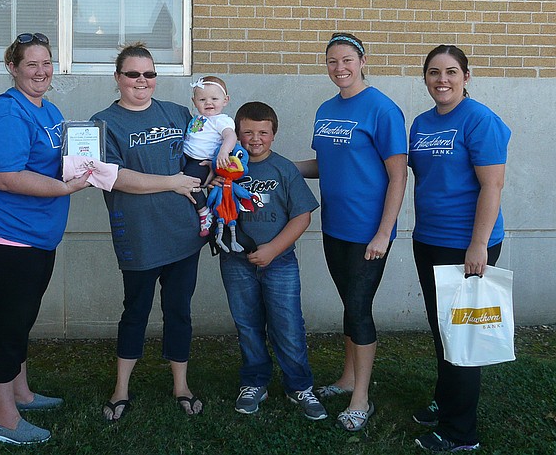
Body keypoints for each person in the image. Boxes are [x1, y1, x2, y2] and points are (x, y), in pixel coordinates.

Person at [0, 33, 90, 445]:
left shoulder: (48, 108)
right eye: (31, 64)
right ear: (13, 68)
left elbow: (60, 159)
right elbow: (6, 176)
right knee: (7, 324)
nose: (41, 71)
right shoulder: (6, 113)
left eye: (46, 63)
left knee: (22, 320)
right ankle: (5, 420)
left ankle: (21, 392)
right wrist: (66, 188)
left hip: (36, 237)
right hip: (3, 238)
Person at [295, 32, 407, 432]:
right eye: (331, 62)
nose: (339, 68)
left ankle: (361, 398)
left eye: (346, 60)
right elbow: (325, 163)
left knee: (359, 308)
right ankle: (346, 379)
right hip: (335, 226)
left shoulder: (382, 109)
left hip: (367, 232)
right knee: (349, 303)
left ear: (362, 60)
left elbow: (398, 177)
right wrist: (278, 165)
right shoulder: (326, 109)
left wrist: (383, 232)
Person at [90, 42, 208, 421]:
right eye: (133, 74)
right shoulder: (103, 123)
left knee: (179, 310)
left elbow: (201, 155)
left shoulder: (177, 113)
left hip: (183, 233)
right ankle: (121, 388)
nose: (142, 81)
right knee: (135, 311)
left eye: (149, 74)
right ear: (118, 78)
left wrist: (205, 171)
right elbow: (115, 177)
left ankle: (181, 385)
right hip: (139, 235)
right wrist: (172, 182)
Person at [409, 45, 511, 453]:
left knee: (463, 340)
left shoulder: (481, 120)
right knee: (442, 330)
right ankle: (445, 400)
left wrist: (478, 245)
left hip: (468, 246)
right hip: (428, 240)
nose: (442, 80)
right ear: (426, 79)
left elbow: (493, 185)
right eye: (434, 73)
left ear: (467, 77)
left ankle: (460, 434)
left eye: (452, 72)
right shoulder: (421, 123)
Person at [218, 101, 327, 421]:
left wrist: (273, 249)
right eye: (248, 132)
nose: (255, 139)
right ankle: (254, 382)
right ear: (236, 134)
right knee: (247, 324)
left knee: (288, 325)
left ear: (274, 134)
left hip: (279, 262)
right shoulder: (226, 168)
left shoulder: (284, 169)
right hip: (236, 261)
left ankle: (299, 385)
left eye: (263, 132)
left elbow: (302, 216)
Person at [183, 75, 237, 236]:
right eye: (202, 99)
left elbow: (231, 136)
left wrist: (223, 152)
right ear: (194, 102)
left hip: (202, 162)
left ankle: (204, 211)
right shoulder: (198, 118)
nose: (208, 103)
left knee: (189, 183)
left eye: (214, 98)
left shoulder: (221, 120)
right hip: (187, 158)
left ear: (225, 100)